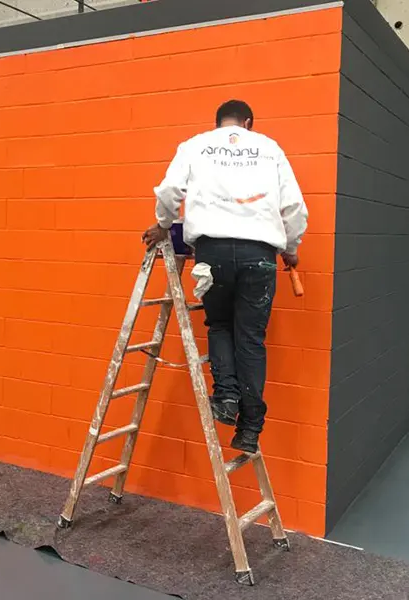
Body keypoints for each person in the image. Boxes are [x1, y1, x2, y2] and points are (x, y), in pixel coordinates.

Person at [141, 100, 308, 454]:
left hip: (212, 251)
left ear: (219, 122)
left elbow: (170, 191)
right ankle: (250, 431)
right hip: (259, 255)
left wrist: (163, 224)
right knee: (250, 339)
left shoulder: (195, 145)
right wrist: (291, 247)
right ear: (247, 122)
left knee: (219, 326)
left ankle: (227, 398)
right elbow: (293, 206)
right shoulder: (268, 147)